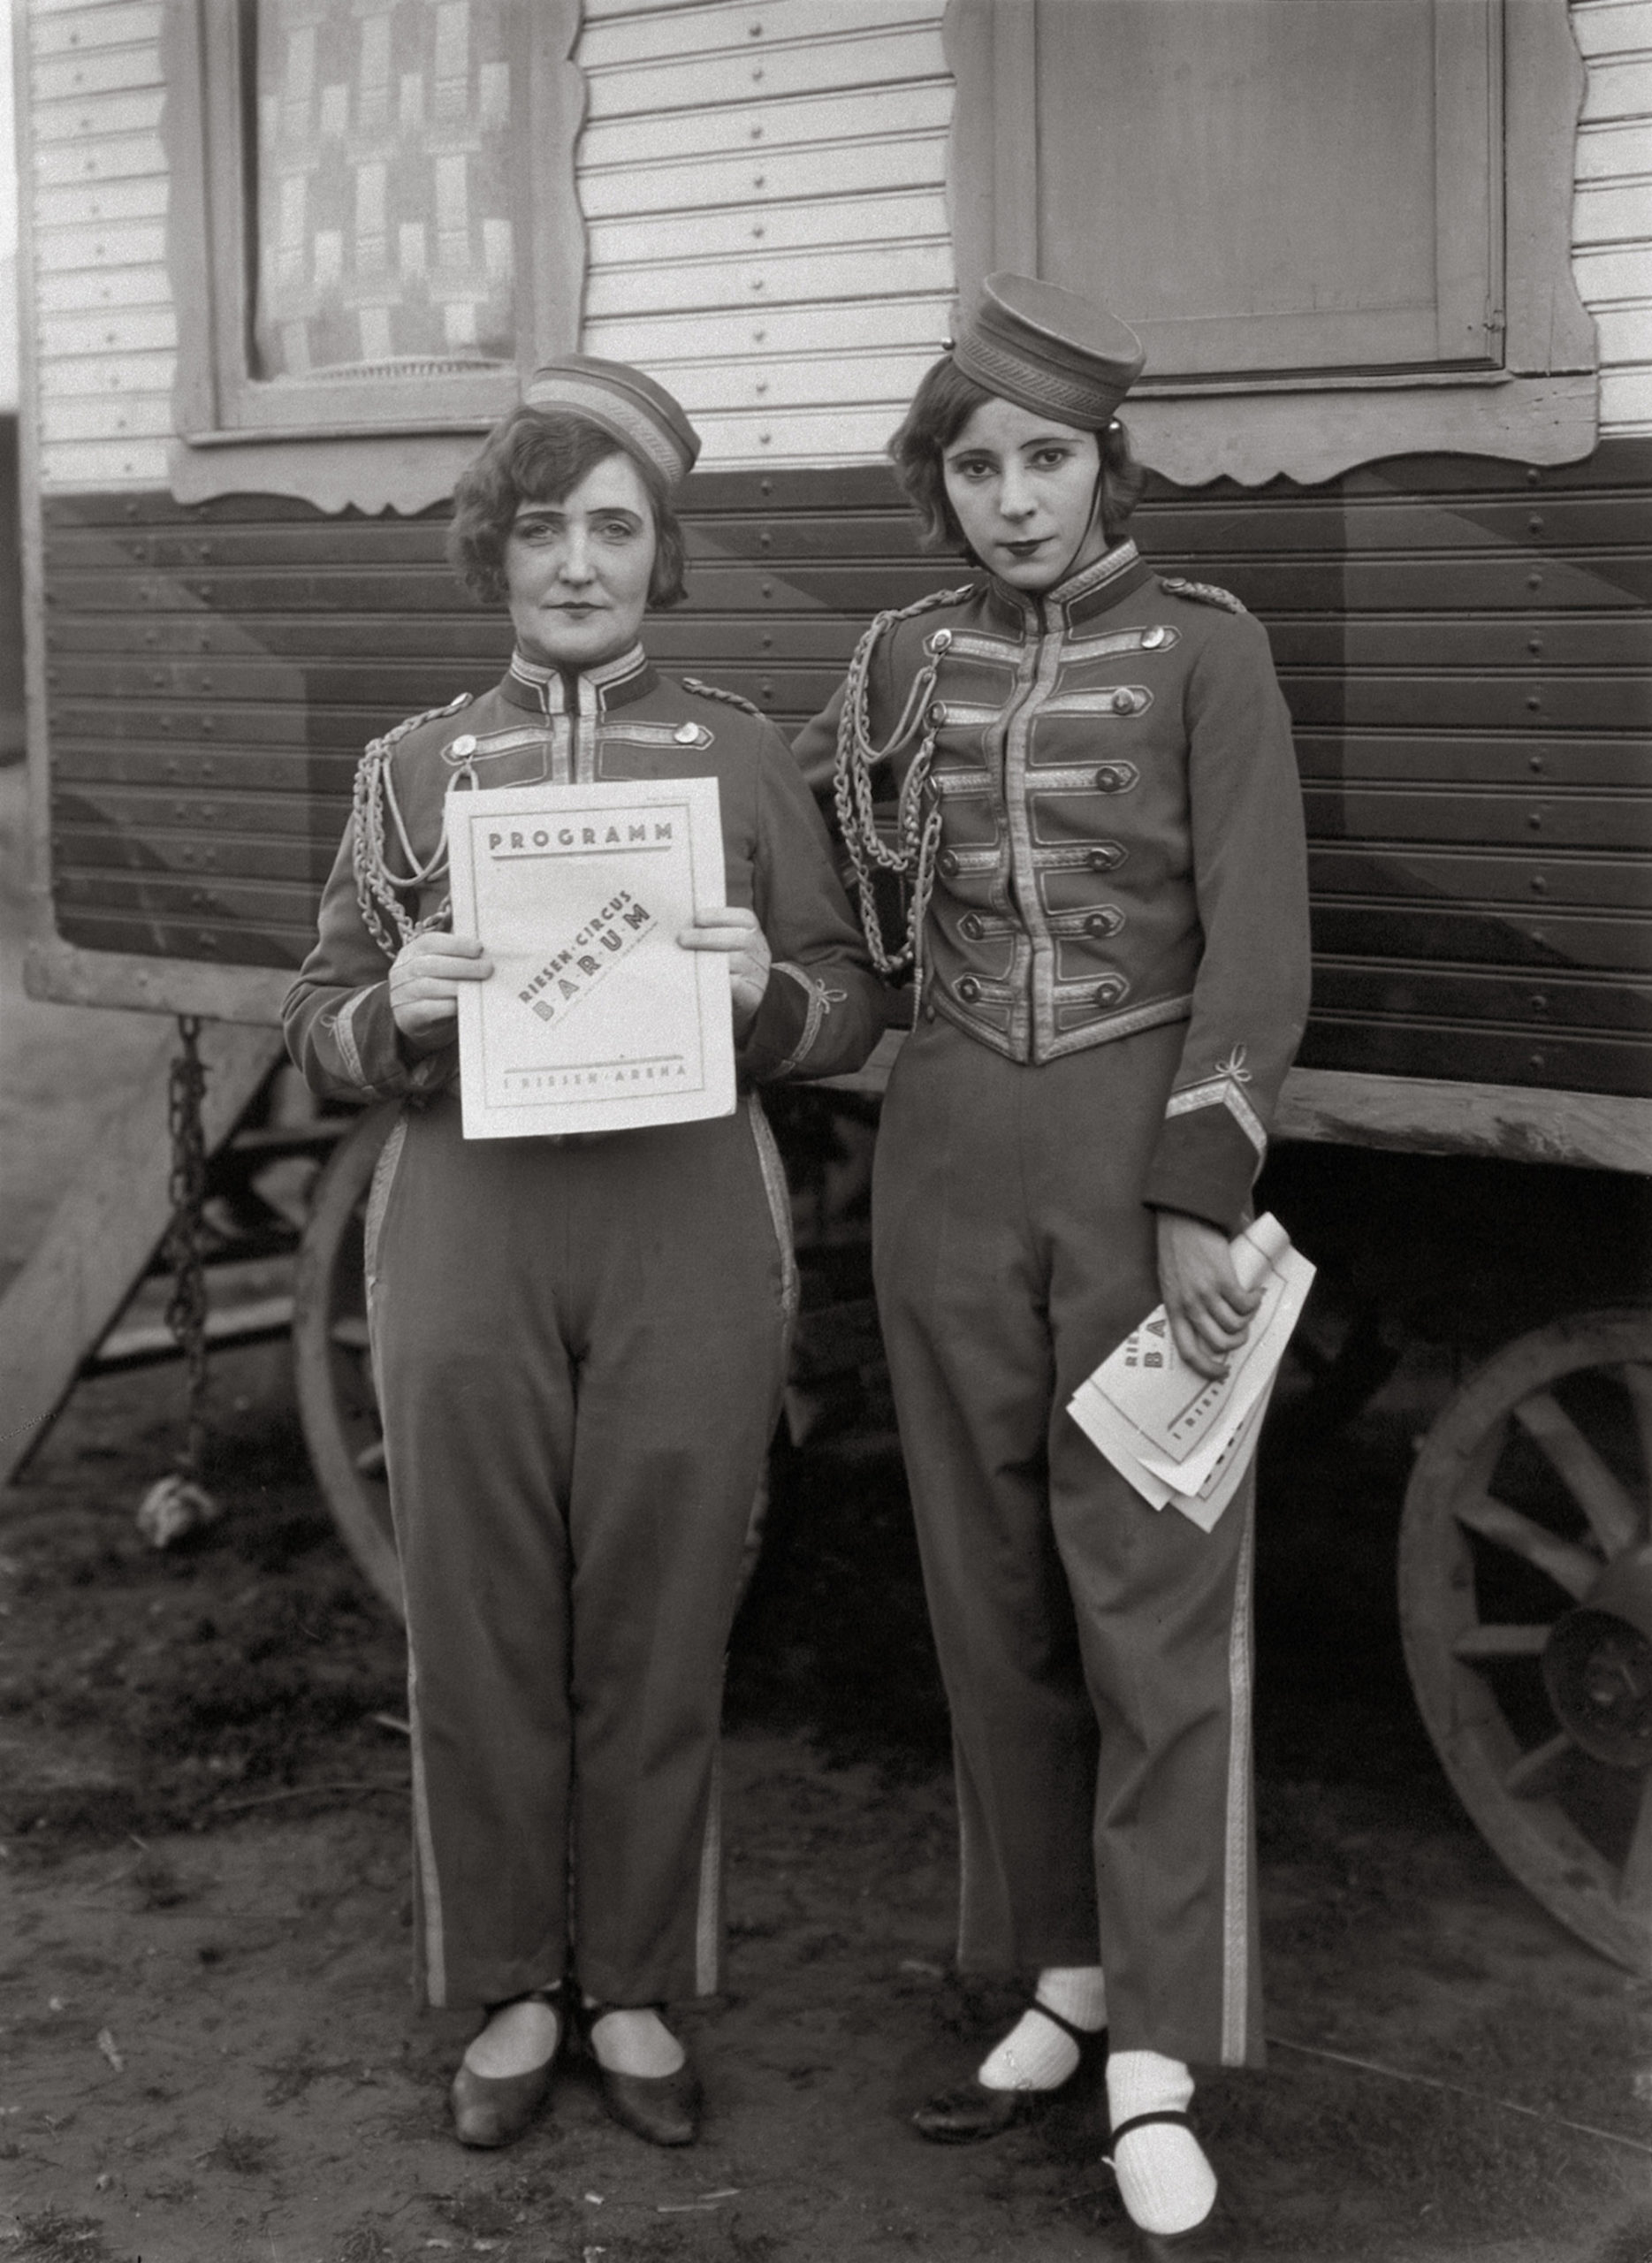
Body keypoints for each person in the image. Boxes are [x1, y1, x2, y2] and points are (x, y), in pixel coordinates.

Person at [284, 358, 884, 2153]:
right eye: (540, 524)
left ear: (659, 550)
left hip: (685, 1212)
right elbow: (311, 1008)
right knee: (474, 1617)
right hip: (465, 1211)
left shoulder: (738, 750)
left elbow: (850, 993)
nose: (573, 563)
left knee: (660, 1602)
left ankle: (625, 1982)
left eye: (611, 527)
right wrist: (385, 1004)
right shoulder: (408, 768)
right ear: (494, 545)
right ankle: (507, 1985)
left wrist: (755, 994)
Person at [793, 275, 1311, 2258]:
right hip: (938, 1160)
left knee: (1149, 1611)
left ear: (1106, 464)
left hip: (1130, 1172)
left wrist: (1198, 1178)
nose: (1009, 498)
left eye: (1042, 459)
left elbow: (1256, 949)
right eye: (974, 464)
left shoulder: (1207, 653)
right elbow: (849, 918)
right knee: (984, 1586)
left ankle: (1161, 2050)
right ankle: (1058, 1977)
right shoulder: (893, 662)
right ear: (940, 483)